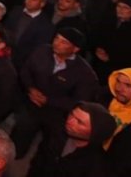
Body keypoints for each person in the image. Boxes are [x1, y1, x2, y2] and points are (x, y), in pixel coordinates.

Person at [11, 28, 99, 159]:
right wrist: (30, 88)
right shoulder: (41, 51)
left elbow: (79, 102)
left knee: (49, 149)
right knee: (20, 133)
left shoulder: (85, 74)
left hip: (57, 115)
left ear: (75, 49)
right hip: (31, 104)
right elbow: (26, 71)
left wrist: (48, 101)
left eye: (64, 42)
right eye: (56, 38)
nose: (57, 43)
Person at [28, 102, 116, 177]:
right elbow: (37, 162)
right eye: (71, 114)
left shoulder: (96, 166)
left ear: (95, 134)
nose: (69, 122)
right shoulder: (56, 133)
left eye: (79, 122)